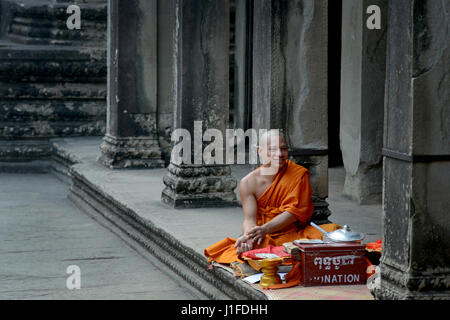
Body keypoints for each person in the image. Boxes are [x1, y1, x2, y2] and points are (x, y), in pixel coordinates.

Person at [204, 130, 340, 266]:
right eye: (272, 149)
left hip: (294, 234)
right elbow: (250, 219)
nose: (279, 154)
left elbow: (293, 213)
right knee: (247, 246)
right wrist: (249, 236)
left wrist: (265, 229)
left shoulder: (298, 174)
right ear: (260, 151)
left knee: (334, 231)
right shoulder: (248, 183)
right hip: (265, 237)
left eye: (283, 149)